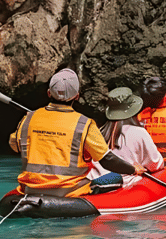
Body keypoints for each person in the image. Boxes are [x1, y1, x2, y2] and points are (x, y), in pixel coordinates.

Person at [9, 69, 145, 197]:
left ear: (49, 93)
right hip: (69, 191)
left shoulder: (28, 118)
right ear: (77, 96)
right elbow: (107, 160)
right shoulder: (85, 124)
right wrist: (132, 169)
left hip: (30, 188)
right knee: (116, 177)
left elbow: (15, 146)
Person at [86, 87, 165, 192]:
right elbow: (156, 165)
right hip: (125, 187)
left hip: (97, 184)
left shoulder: (99, 132)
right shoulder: (139, 133)